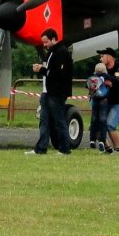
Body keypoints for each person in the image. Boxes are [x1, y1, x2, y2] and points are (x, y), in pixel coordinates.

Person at [25, 28, 73, 156]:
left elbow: (61, 74)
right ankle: (41, 148)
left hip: (56, 93)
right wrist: (43, 69)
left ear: (53, 39)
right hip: (47, 92)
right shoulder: (51, 52)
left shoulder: (62, 52)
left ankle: (64, 148)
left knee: (59, 120)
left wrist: (42, 70)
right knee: (43, 120)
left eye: (46, 42)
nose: (44, 45)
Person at [86, 62, 109, 151]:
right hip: (103, 101)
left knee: (94, 121)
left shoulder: (91, 78)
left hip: (94, 101)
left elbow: (86, 86)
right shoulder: (106, 77)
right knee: (103, 122)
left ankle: (92, 140)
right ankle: (102, 141)